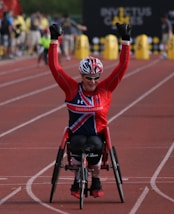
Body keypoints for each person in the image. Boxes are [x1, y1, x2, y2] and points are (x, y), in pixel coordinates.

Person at [48, 22, 131, 199]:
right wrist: (54, 40)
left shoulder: (106, 89)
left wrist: (125, 41)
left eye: (95, 78)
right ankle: (78, 178)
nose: (92, 82)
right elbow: (55, 68)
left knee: (95, 146)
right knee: (77, 144)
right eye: (88, 78)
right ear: (82, 76)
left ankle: (96, 178)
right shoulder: (71, 89)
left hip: (97, 136)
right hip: (76, 135)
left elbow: (122, 68)